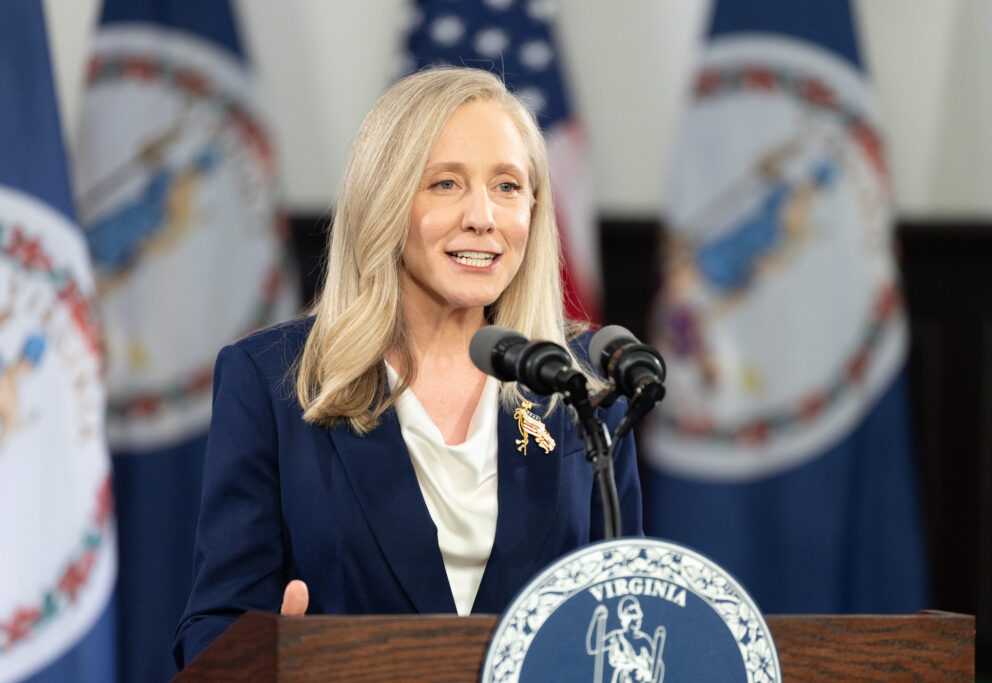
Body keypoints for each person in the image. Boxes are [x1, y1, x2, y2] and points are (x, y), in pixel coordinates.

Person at [173, 67, 642, 669]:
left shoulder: (581, 388)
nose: (483, 216)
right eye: (446, 184)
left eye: (507, 186)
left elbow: (634, 617)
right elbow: (211, 632)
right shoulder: (273, 382)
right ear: (386, 198)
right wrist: (265, 657)